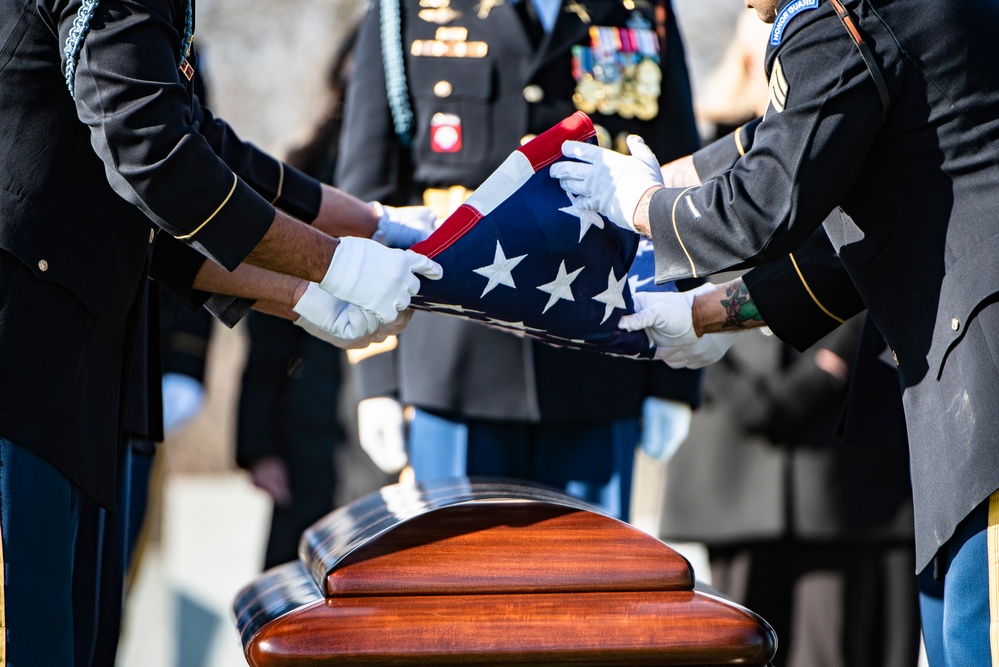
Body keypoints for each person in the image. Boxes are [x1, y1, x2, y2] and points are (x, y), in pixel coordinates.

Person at [551, 0, 999, 662]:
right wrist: (711, 312)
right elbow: (860, 227)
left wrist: (639, 206)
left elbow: (764, 205)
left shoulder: (838, 15)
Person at [0, 2, 444, 663]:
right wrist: (335, 264)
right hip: (22, 368)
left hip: (70, 372)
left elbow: (186, 163)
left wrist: (358, 238)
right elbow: (155, 163)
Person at [335, 0, 704, 521]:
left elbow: (676, 185)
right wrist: (375, 378)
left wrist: (675, 380)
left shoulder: (640, 9)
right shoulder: (406, 11)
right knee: (457, 588)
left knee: (594, 588)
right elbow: (367, 198)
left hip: (600, 349)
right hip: (451, 358)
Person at [236, 28, 394, 571]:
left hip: (382, 402)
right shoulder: (306, 165)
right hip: (307, 412)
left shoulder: (408, 170)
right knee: (296, 588)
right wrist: (260, 445)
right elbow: (267, 331)